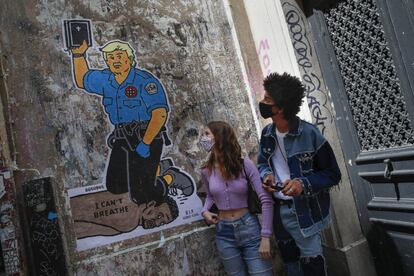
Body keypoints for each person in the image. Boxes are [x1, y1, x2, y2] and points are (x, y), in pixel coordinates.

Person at [70, 40, 192, 205]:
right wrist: (78, 54)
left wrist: (146, 143)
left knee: (142, 195)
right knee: (116, 187)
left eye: (120, 56)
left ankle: (171, 177)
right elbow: (82, 80)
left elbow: (159, 114)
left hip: (147, 136)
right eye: (111, 58)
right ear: (107, 61)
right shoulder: (107, 79)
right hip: (122, 138)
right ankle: (157, 168)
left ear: (129, 58)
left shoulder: (144, 81)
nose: (116, 61)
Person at [257, 72, 341, 276]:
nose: (262, 102)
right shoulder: (267, 134)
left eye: (268, 99)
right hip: (279, 211)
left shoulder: (310, 133)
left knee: (312, 264)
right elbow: (262, 163)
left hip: (303, 210)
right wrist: (266, 175)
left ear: (281, 107)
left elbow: (332, 174)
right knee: (291, 264)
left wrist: (302, 184)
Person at [200, 121, 274, 276]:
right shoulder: (207, 170)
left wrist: (266, 237)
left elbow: (266, 200)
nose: (203, 139)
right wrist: (205, 211)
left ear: (220, 137)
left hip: (249, 229)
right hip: (224, 233)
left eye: (207, 134)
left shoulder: (244, 165)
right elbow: (210, 195)